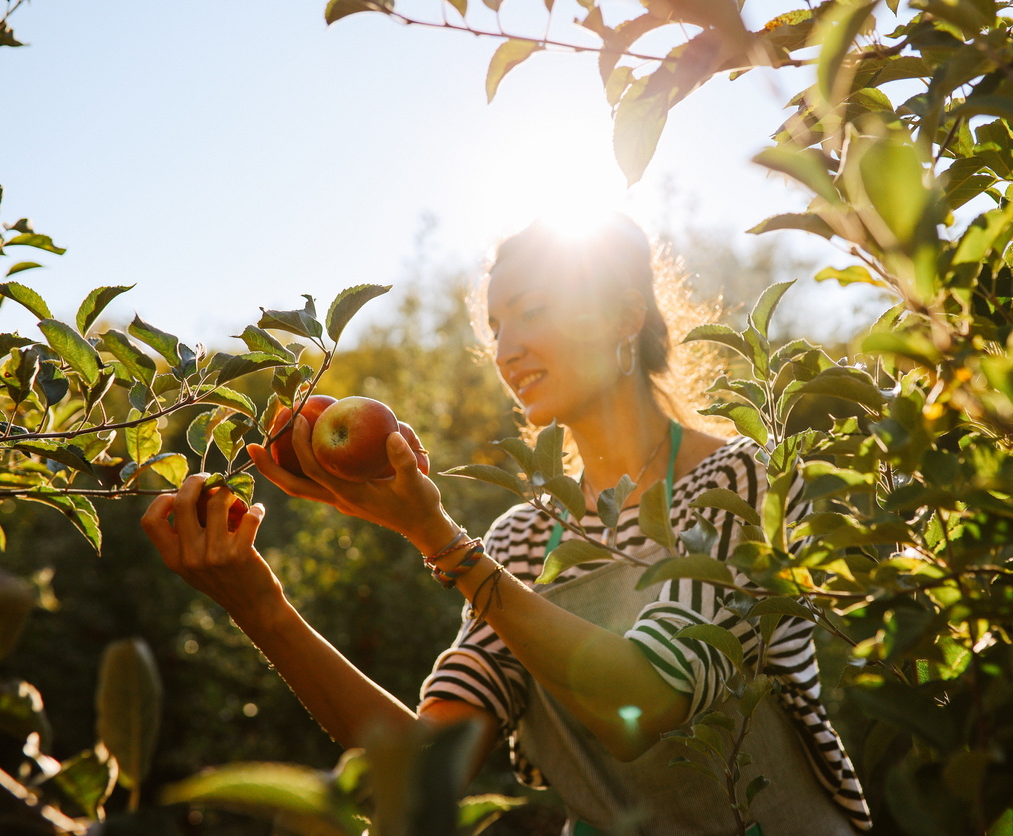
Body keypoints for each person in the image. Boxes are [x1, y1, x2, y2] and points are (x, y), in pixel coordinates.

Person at [141, 213, 871, 835]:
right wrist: (259, 606)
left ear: (624, 315)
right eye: (496, 325)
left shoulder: (738, 481)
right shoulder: (525, 541)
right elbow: (424, 774)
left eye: (533, 310)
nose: (506, 347)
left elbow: (644, 703)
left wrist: (440, 541)